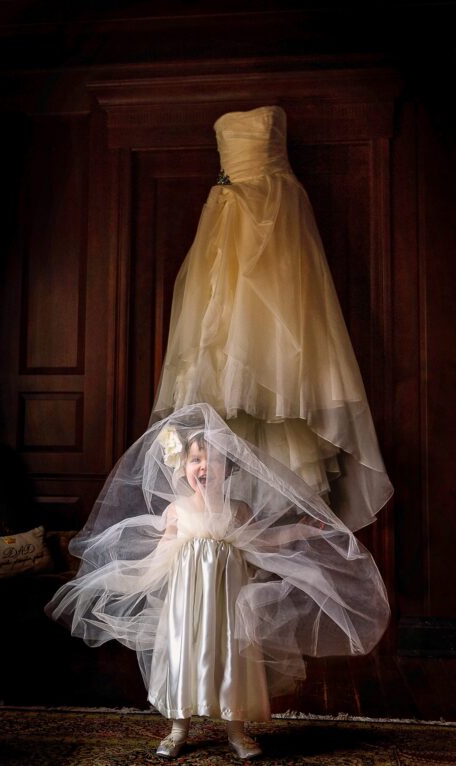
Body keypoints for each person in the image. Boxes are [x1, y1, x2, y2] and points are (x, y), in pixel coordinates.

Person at [45, 404, 389, 760]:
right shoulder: (177, 509)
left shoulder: (236, 509)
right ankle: (178, 728)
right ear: (183, 467)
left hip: (227, 605)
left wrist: (299, 529)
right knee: (183, 656)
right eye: (195, 460)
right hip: (186, 607)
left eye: (215, 461)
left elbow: (262, 541)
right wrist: (132, 576)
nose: (204, 467)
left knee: (232, 658)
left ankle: (236, 730)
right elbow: (161, 552)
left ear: (229, 469)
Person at [151, 106, 392, 532]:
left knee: (279, 352)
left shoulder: (286, 198)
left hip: (277, 219)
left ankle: (273, 527)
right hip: (226, 223)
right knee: (223, 346)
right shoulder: (223, 206)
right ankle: (225, 528)